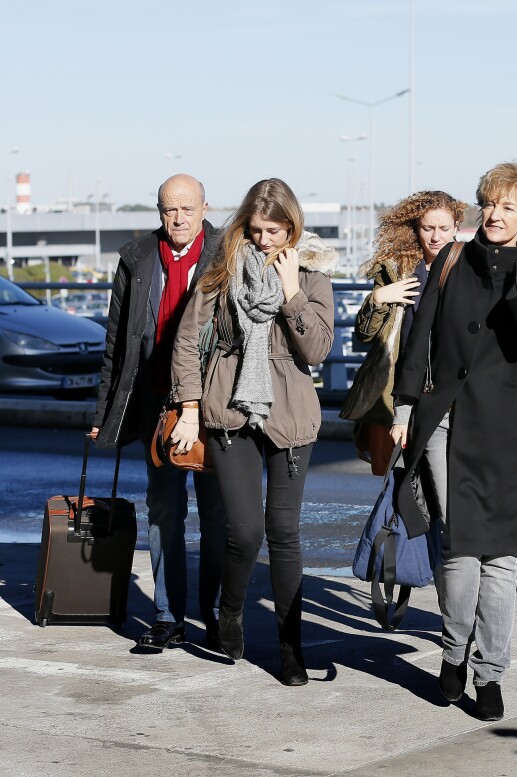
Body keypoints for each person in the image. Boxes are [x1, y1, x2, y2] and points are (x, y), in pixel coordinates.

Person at [391, 162, 517, 721]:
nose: (493, 213)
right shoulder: (450, 260)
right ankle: (453, 652)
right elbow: (421, 339)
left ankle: (490, 673)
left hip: (509, 429)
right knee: (459, 544)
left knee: (502, 555)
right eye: (489, 203)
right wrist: (406, 405)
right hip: (447, 419)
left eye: (508, 207)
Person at [170, 178, 336, 685]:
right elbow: (186, 341)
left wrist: (290, 293)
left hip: (289, 418)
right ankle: (230, 612)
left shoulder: (311, 276)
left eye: (277, 230)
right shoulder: (220, 272)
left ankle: (290, 649)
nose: (267, 240)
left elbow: (316, 352)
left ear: (293, 227)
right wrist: (190, 409)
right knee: (243, 531)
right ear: (246, 224)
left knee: (284, 533)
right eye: (259, 229)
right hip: (229, 415)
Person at [91, 174, 225, 651]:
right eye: (170, 209)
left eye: (188, 209)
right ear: (159, 211)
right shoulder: (138, 257)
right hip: (156, 403)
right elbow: (116, 342)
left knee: (216, 511)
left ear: (205, 209)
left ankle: (213, 614)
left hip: (213, 404)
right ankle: (168, 616)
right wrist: (105, 408)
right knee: (164, 510)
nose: (179, 218)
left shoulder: (228, 253)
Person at [342, 191, 467, 475]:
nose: (436, 236)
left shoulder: (468, 269)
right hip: (399, 389)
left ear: (457, 227)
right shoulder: (397, 271)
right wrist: (378, 299)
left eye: (444, 229)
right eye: (428, 228)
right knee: (398, 481)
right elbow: (364, 336)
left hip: (449, 392)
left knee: (444, 481)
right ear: (415, 228)